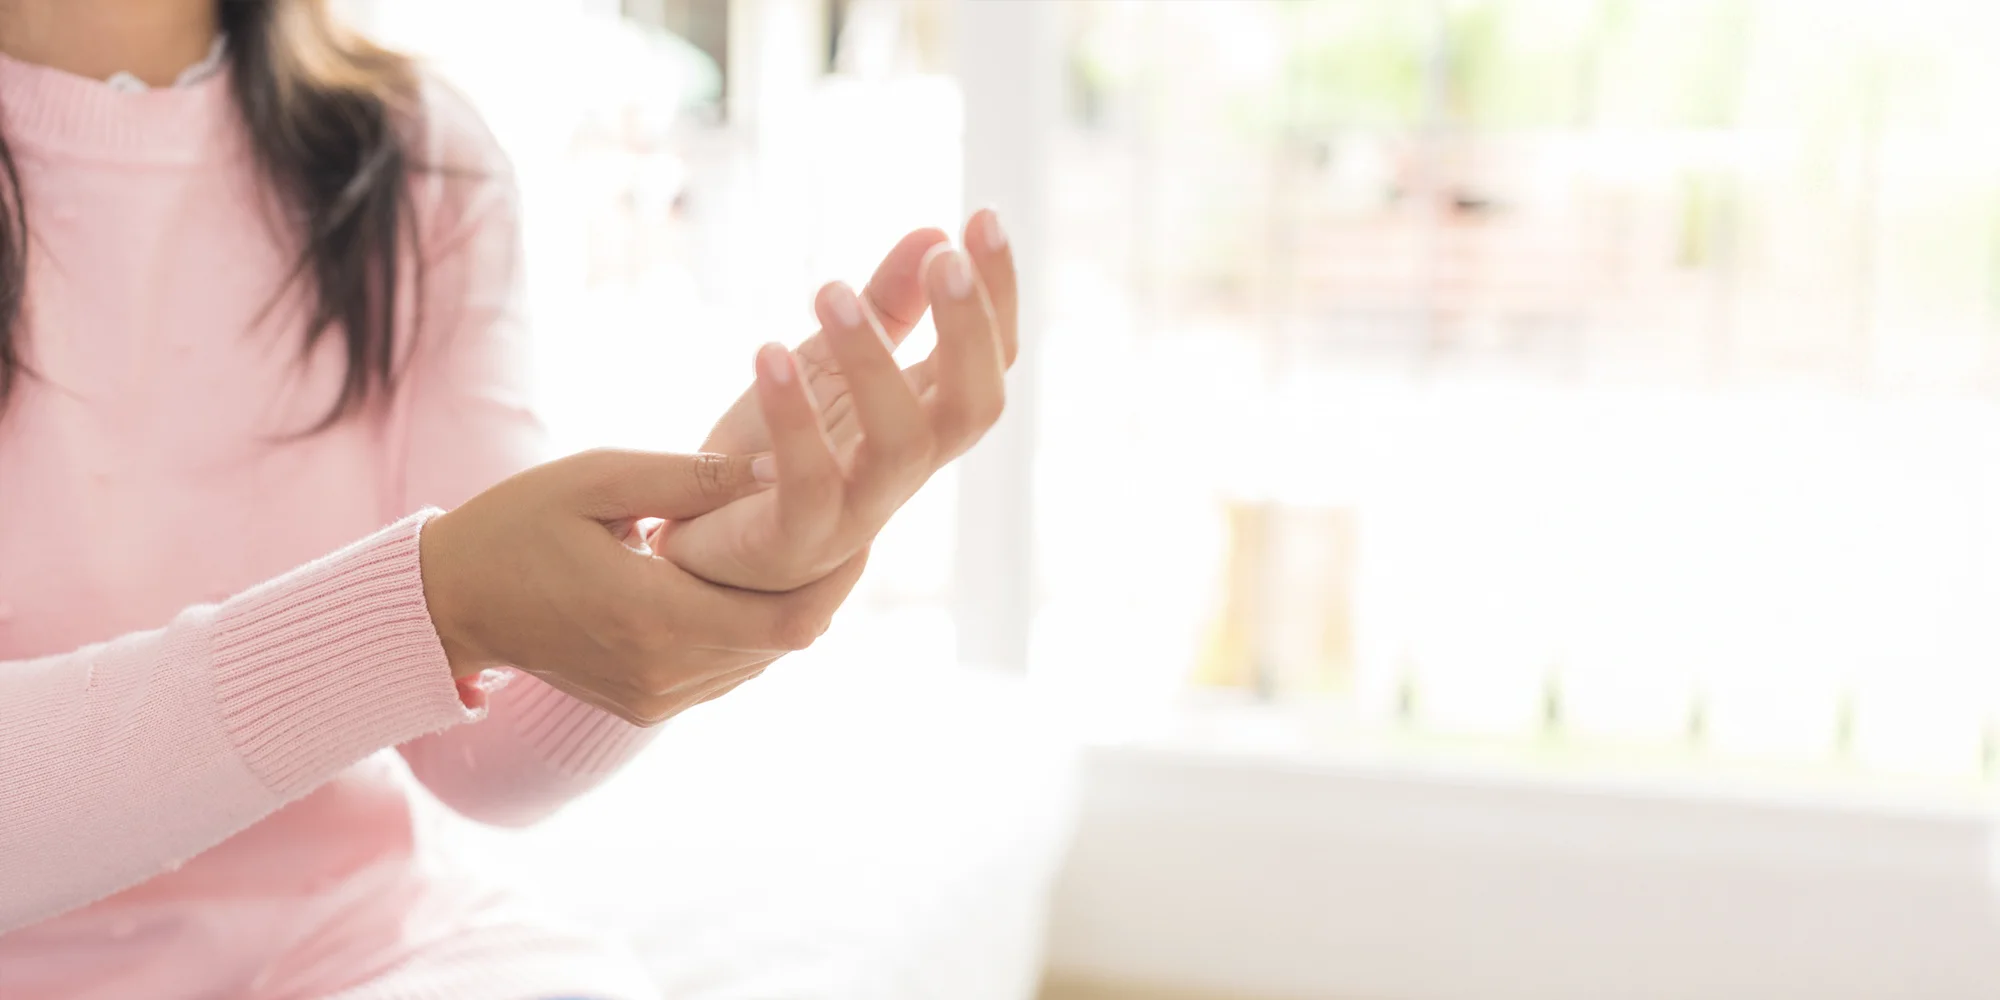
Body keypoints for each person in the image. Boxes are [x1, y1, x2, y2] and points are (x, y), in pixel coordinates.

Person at [0, 1, 1018, 996]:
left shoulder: (411, 154)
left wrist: (692, 568)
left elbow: (479, 751)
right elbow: (448, 609)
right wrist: (427, 610)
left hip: (362, 943)